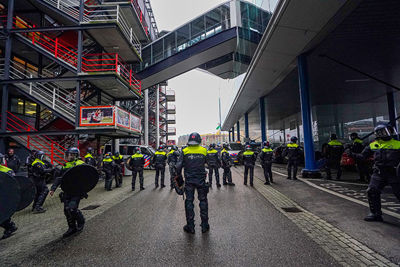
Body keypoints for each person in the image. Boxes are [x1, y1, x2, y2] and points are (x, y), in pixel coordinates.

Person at [347, 123, 400, 222]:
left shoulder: (398, 144)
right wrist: (351, 154)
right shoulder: (373, 145)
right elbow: (362, 157)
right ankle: (375, 214)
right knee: (372, 191)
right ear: (378, 134)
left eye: (388, 131)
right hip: (379, 173)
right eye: (384, 132)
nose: (387, 133)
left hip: (394, 173)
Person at [176, 132, 209, 234]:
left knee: (189, 202)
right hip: (201, 180)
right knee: (203, 201)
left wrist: (179, 180)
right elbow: (208, 164)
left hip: (189, 181)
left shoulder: (184, 150)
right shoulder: (204, 150)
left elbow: (178, 167)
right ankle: (204, 226)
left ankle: (191, 227)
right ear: (199, 140)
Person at [49, 147, 86, 238]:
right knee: (66, 210)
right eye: (68, 154)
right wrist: (53, 188)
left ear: (75, 155)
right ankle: (71, 228)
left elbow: (87, 176)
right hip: (67, 191)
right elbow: (59, 178)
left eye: (70, 154)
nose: (68, 156)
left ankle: (81, 220)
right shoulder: (65, 165)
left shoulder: (81, 164)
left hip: (76, 192)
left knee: (72, 208)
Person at [0, 153, 18, 240]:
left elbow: (12, 184)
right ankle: (10, 226)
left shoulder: (7, 171)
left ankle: (10, 227)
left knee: (3, 214)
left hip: (4, 197)